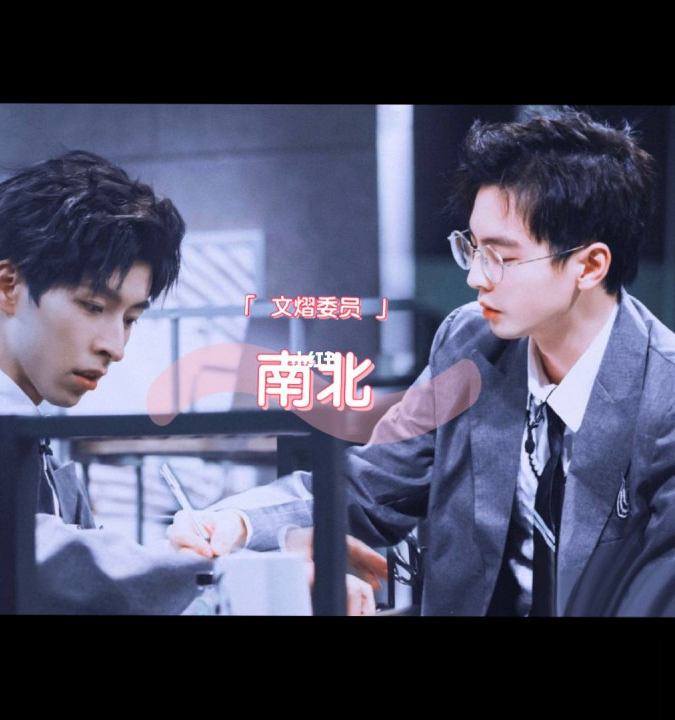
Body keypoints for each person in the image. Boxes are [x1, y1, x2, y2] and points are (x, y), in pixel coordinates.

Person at [168, 108, 675, 616]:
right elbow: (372, 483)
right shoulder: (469, 343)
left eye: (502, 257)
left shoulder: (665, 394)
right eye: (472, 248)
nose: (476, 277)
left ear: (590, 265)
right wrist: (238, 522)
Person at [0, 150, 381, 615]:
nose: (115, 346)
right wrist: (231, 576)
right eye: (93, 307)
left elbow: (92, 590)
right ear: (8, 286)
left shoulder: (41, 451)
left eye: (130, 319)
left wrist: (263, 562)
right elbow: (4, 552)